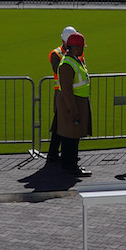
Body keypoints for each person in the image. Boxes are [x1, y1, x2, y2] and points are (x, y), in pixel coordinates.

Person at [50, 30, 93, 177]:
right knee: (71, 137)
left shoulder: (73, 60)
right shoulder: (67, 64)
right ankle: (70, 166)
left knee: (73, 136)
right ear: (74, 47)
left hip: (77, 102)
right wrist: (73, 111)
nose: (82, 49)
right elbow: (67, 91)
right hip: (74, 103)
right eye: (81, 47)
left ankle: (69, 164)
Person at [46, 26, 77, 161]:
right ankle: (56, 154)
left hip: (72, 91)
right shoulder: (56, 54)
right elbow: (60, 71)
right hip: (61, 93)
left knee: (61, 124)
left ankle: (56, 153)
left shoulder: (77, 52)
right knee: (61, 124)